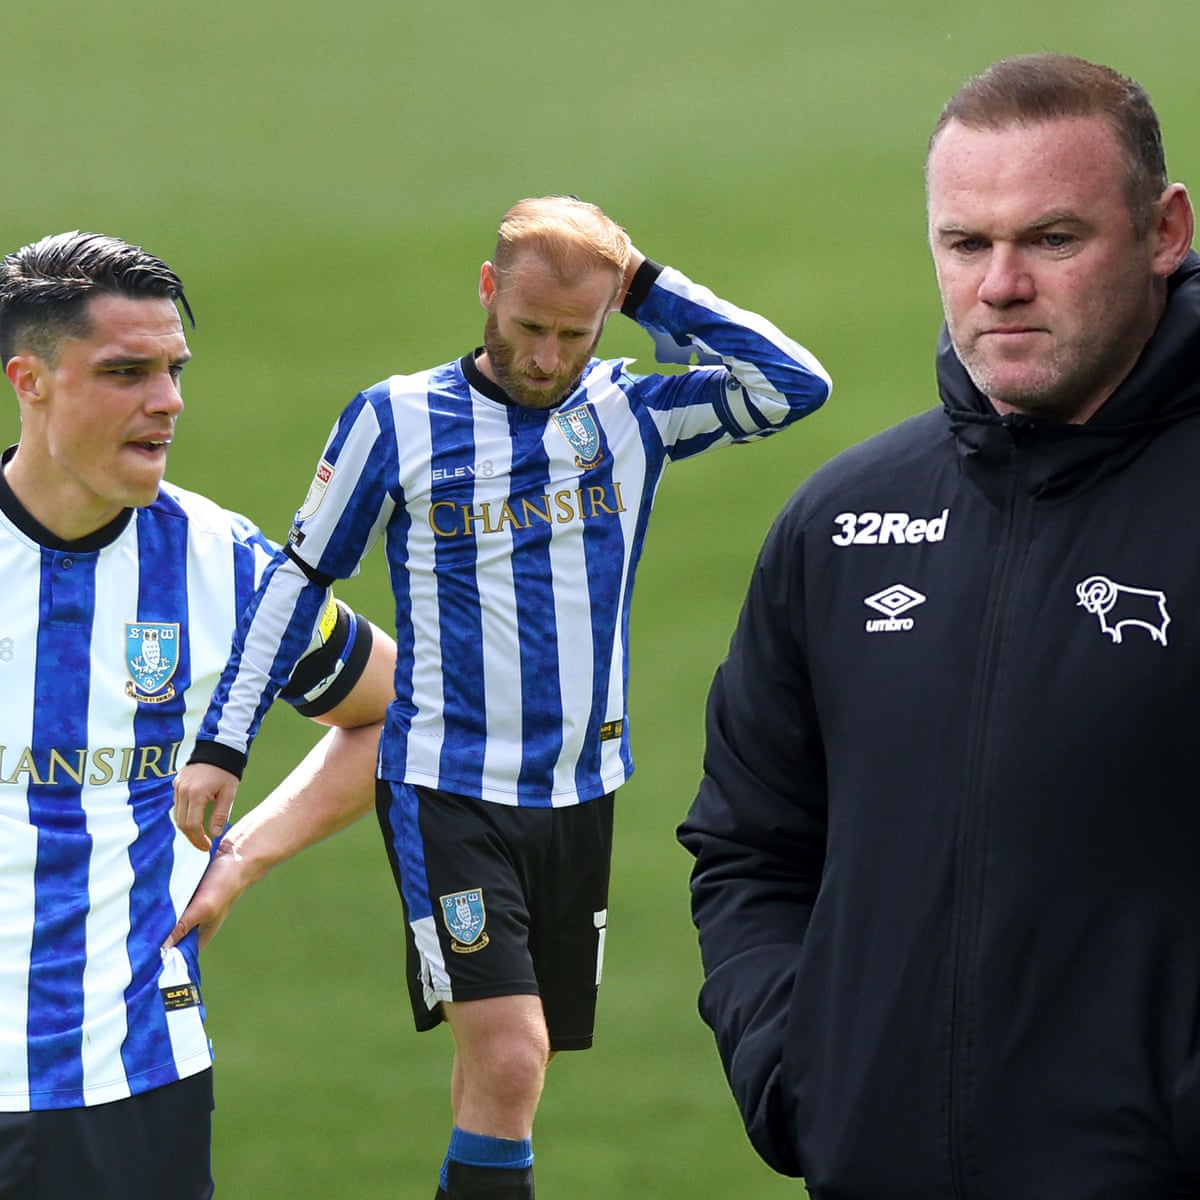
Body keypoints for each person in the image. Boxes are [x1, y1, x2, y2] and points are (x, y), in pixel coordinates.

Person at [171, 194, 832, 1199]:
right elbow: (299, 583)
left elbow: (793, 386)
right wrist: (225, 742)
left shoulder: (630, 411)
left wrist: (648, 283)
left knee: (509, 1075)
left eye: (575, 332)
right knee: (514, 1051)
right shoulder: (395, 420)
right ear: (488, 291)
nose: (545, 357)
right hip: (448, 792)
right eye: (528, 328)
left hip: (580, 792)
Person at [677, 51, 1200, 1199]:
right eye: (967, 245)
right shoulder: (842, 520)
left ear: (1164, 232)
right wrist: (797, 1071)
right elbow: (751, 844)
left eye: (1054, 240)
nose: (1001, 285)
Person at [0, 231, 395, 1200]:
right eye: (126, 372)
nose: (166, 401)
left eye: (173, 370)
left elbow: (403, 711)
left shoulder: (225, 564)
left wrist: (245, 855)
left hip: (137, 1086)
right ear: (31, 380)